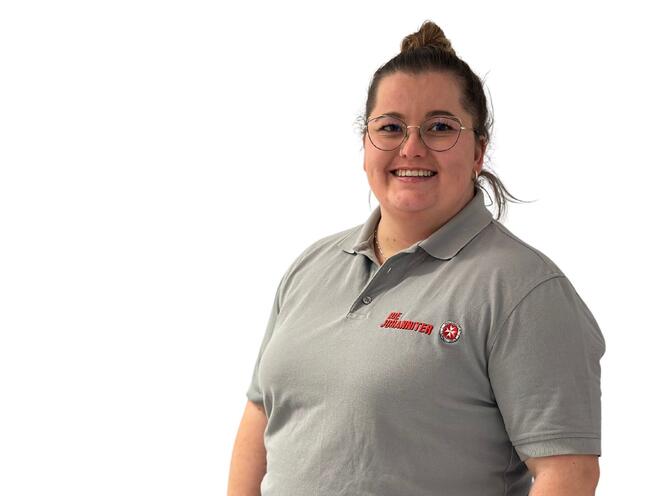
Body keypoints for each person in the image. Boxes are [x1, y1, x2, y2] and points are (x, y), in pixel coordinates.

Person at [228, 20, 605, 496]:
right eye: (390, 128)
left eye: (440, 128)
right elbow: (260, 414)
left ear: (479, 151)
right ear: (365, 143)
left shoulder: (523, 291)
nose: (411, 148)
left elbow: (568, 474)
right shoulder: (311, 268)